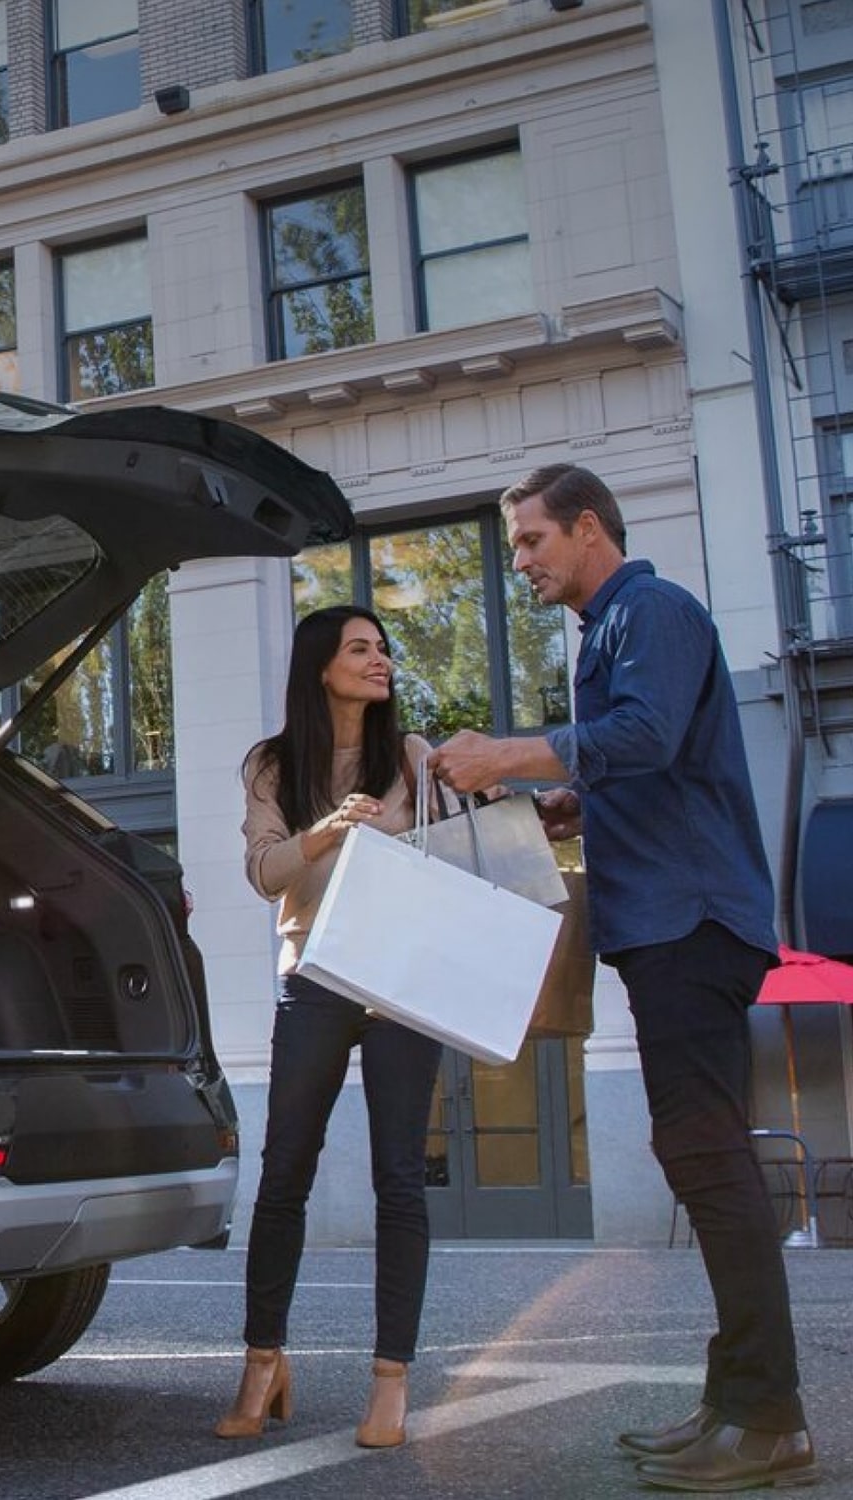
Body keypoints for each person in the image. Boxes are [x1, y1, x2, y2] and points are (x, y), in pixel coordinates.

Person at [429, 465, 817, 1494]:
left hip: (691, 923)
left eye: (529, 542)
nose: (519, 563)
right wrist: (573, 809)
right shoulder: (609, 630)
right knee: (698, 1157)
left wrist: (516, 759)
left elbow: (643, 735)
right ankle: (735, 1402)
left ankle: (769, 1417)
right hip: (665, 927)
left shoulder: (650, 609)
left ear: (587, 527)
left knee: (708, 1157)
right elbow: (651, 767)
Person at [215, 604, 443, 1449]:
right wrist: (329, 829)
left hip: (400, 981)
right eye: (360, 649)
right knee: (284, 1180)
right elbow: (264, 871)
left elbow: (447, 854)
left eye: (383, 649)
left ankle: (391, 1382)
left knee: (400, 1181)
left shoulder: (413, 758)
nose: (379, 660)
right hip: (311, 977)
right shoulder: (274, 764)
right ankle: (262, 1363)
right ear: (321, 667)